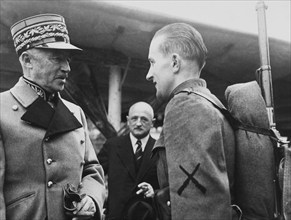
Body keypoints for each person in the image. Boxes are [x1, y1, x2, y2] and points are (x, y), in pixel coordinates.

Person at [0, 14, 106, 220]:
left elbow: (92, 169)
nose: (67, 68)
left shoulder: (76, 112)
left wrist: (91, 199)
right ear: (27, 60)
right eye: (56, 58)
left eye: (67, 59)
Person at [145, 23, 235, 220]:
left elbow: (197, 207)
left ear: (175, 63)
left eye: (152, 62)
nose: (148, 74)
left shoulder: (185, 107)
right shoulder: (208, 102)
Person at [97, 102, 159, 220]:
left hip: (148, 215)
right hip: (116, 216)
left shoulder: (160, 149)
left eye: (144, 119)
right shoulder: (112, 146)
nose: (138, 123)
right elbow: (94, 175)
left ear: (153, 123)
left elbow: (170, 185)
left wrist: (154, 192)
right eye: (134, 118)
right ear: (128, 120)